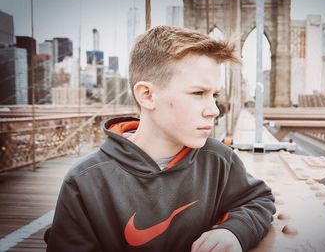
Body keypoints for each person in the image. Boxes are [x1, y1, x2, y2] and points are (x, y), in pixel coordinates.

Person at [46, 26, 276, 252]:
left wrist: (234, 231)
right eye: (198, 93)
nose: (214, 110)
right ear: (147, 95)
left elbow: (258, 200)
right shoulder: (85, 181)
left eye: (214, 95)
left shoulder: (218, 158)